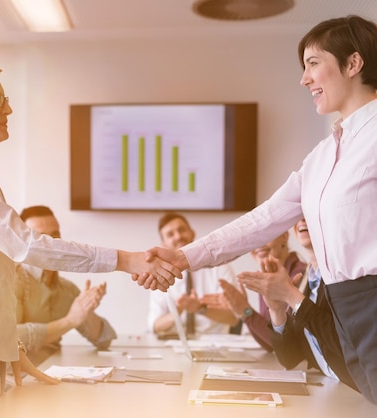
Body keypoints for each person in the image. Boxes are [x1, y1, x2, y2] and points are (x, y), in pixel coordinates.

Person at [137, 15, 377, 403]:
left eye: (313, 63)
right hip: (341, 310)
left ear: (353, 63)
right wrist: (182, 258)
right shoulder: (322, 156)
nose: (304, 79)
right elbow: (262, 220)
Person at [0, 58, 178, 413]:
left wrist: (11, 348)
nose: (8, 108)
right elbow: (26, 245)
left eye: (5, 98)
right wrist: (126, 260)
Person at [238, 219, 358, 391]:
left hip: (358, 393)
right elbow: (290, 358)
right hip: (331, 388)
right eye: (299, 214)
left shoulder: (347, 275)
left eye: (308, 212)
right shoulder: (306, 281)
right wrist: (277, 310)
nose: (302, 219)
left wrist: (290, 295)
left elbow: (348, 348)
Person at [15, 205, 117, 365]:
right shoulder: (12, 279)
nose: (51, 244)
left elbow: (104, 340)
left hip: (54, 377)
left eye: (55, 236)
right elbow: (9, 338)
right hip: (18, 381)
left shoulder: (67, 289)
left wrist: (86, 312)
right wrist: (70, 321)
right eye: (41, 238)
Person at [208, 230, 306, 351]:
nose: (259, 245)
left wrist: (246, 311)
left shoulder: (300, 275)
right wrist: (244, 313)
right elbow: (270, 345)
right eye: (253, 239)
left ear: (284, 236)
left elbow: (285, 345)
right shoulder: (268, 277)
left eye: (265, 235)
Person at [147, 212, 238, 338]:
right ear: (163, 244)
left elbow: (234, 318)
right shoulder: (161, 275)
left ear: (192, 233)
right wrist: (177, 311)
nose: (178, 236)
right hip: (175, 346)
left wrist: (201, 308)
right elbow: (155, 326)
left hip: (214, 346)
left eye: (181, 230)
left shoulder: (220, 267)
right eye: (170, 234)